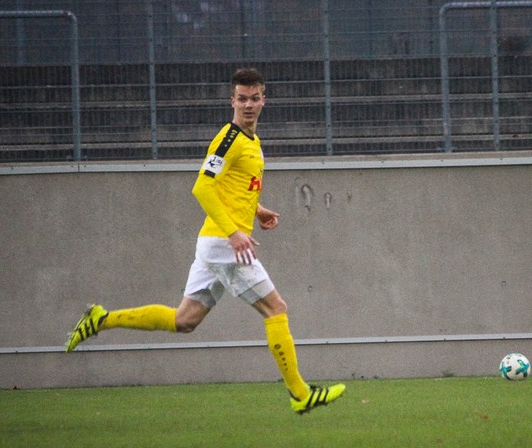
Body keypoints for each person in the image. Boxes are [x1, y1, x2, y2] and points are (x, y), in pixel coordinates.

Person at [65, 67, 345, 414]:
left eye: (254, 98)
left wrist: (257, 211)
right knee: (276, 309)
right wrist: (234, 232)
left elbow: (232, 189)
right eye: (242, 99)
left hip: (215, 243)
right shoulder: (229, 139)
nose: (248, 105)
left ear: (264, 101)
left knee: (184, 320)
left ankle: (101, 319)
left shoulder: (251, 142)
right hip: (225, 245)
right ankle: (300, 394)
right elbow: (202, 187)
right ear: (232, 101)